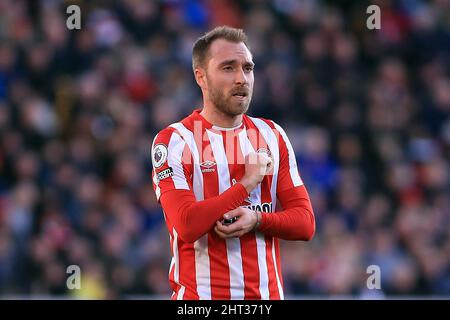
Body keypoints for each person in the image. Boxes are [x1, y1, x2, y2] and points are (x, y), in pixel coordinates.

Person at [151, 26, 315, 300]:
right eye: (228, 68)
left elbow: (305, 223)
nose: (242, 78)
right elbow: (186, 224)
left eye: (248, 68)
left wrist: (258, 219)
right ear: (200, 76)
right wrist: (247, 183)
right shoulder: (175, 141)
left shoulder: (272, 135)